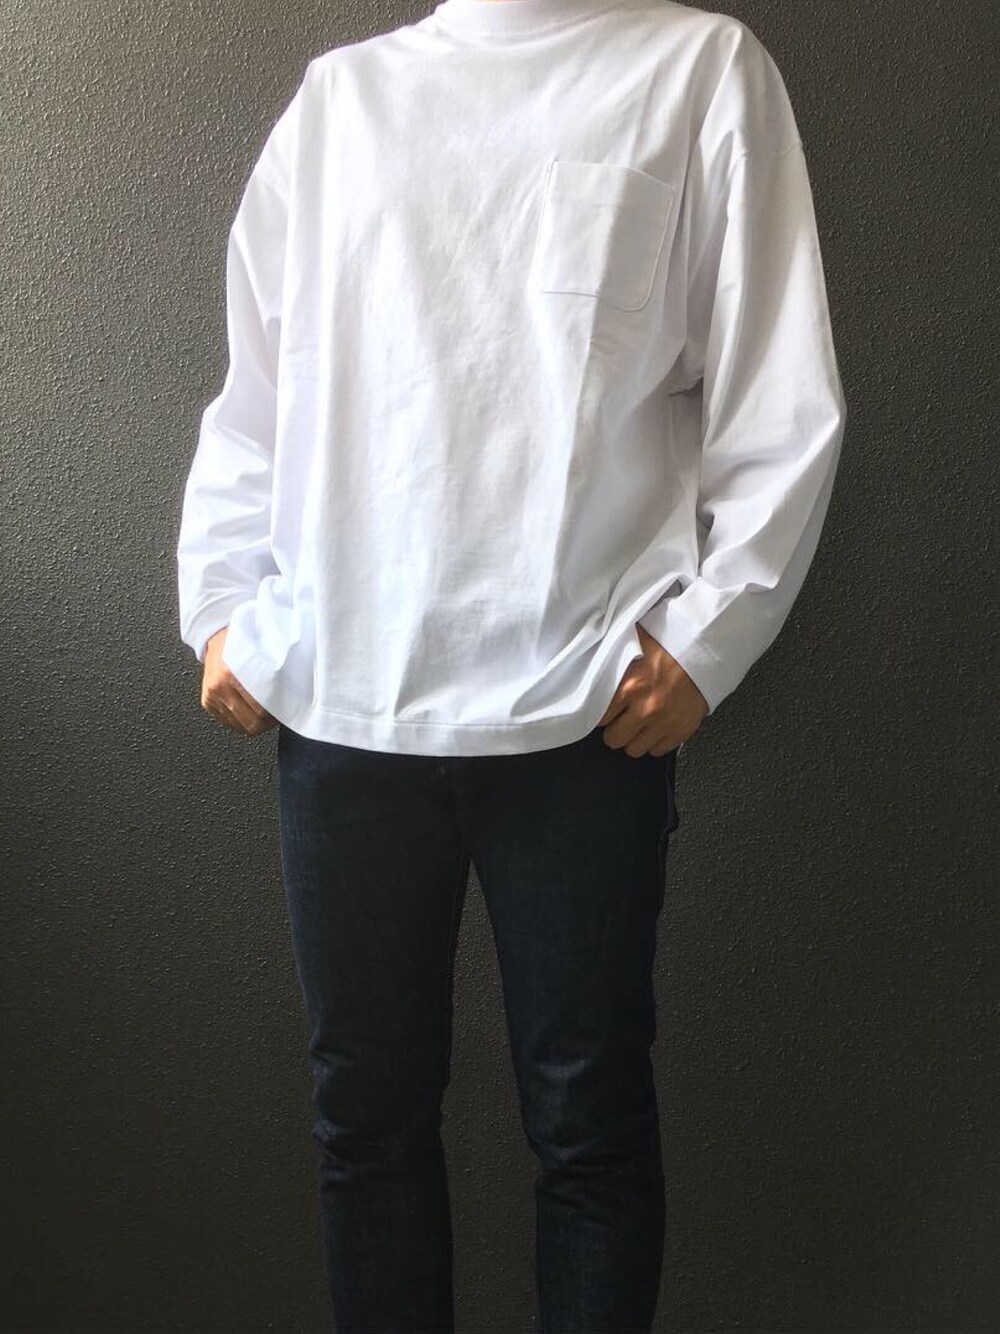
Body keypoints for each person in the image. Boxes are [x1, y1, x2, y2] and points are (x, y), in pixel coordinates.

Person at [176, 0, 846, 1327]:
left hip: (584, 710)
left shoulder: (698, 70)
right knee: (364, 1124)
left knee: (590, 1129)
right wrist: (221, 606)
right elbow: (257, 392)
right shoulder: (342, 101)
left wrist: (711, 640)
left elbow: (781, 392)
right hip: (344, 703)